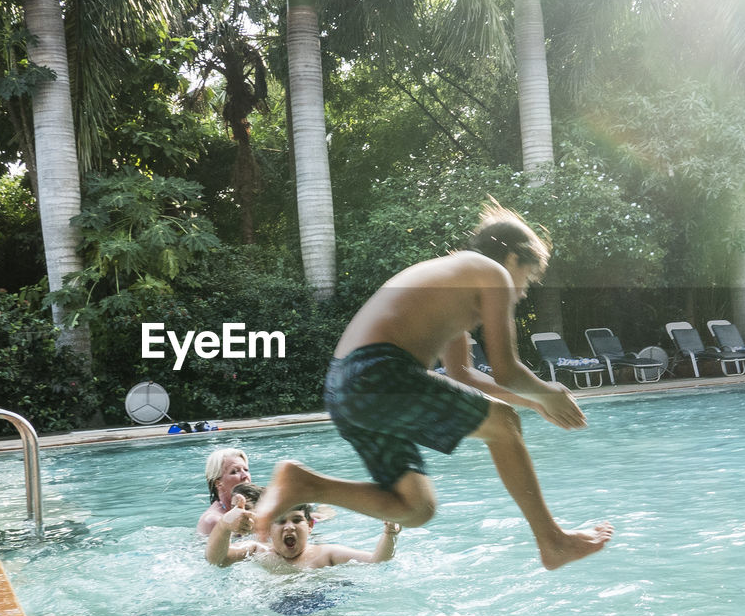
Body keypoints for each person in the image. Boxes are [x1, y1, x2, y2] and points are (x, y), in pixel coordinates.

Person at [252, 202, 613, 571]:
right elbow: (505, 370)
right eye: (528, 276)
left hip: (346, 388)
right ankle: (551, 541)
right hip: (378, 373)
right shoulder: (492, 274)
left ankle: (308, 484)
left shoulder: (453, 284)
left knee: (416, 508)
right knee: (502, 424)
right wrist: (548, 392)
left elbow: (462, 376)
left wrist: (533, 402)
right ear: (512, 256)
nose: (522, 292)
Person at [206, 503, 400, 571]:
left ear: (309, 526)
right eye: (280, 521)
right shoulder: (256, 550)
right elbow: (217, 560)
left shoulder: (326, 553)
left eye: (296, 520)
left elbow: (377, 561)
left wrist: (390, 533)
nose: (289, 527)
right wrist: (224, 526)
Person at [198, 448, 250, 536]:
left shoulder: (252, 510)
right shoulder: (213, 520)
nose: (245, 476)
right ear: (218, 483)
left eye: (246, 470)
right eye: (234, 472)